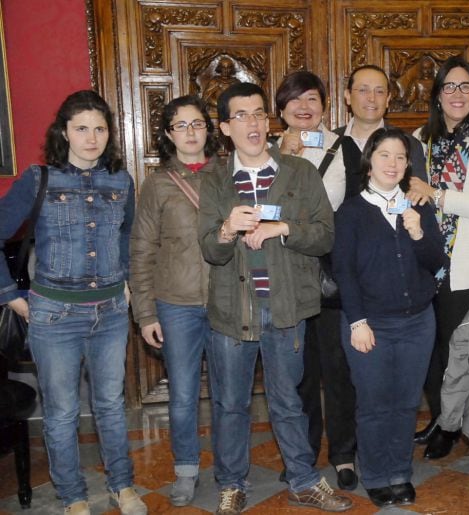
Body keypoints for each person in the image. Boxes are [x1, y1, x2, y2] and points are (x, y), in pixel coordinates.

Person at [197, 82, 351, 514]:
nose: (254, 123)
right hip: (232, 311)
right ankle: (230, 483)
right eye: (242, 116)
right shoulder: (213, 179)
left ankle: (303, 480)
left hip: (286, 307)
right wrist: (228, 229)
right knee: (230, 405)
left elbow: (324, 236)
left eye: (260, 113)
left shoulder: (298, 172)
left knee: (288, 401)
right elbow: (210, 248)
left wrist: (283, 229)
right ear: (226, 127)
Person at [0, 91, 146, 515]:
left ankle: (123, 487)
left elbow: (126, 236)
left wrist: (127, 282)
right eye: (82, 128)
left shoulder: (122, 181)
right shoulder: (38, 178)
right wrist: (11, 296)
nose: (92, 137)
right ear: (64, 132)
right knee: (62, 413)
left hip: (111, 314)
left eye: (100, 128)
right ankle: (73, 497)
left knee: (111, 407)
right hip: (54, 315)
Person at [332, 127, 443, 507]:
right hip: (371, 323)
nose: (392, 164)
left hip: (418, 322)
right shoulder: (351, 211)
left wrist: (417, 232)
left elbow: (436, 262)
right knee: (374, 403)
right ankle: (377, 474)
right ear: (369, 161)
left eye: (400, 156)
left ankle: (400, 472)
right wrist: (357, 322)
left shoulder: (419, 207)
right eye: (384, 155)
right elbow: (343, 271)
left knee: (407, 402)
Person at [408, 55, 469, 458]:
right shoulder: (419, 138)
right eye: (449, 86)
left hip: (463, 263)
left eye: (465, 87)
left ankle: (453, 426)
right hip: (422, 258)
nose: (457, 94)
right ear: (436, 95)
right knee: (429, 350)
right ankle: (439, 416)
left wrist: (440, 195)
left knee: (456, 350)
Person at [129, 95, 221, 506]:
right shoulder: (157, 184)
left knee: (228, 393)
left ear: (208, 129)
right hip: (176, 304)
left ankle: (229, 469)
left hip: (226, 301)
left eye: (196, 123)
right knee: (183, 394)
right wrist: (145, 312)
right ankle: (186, 469)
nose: (190, 132)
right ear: (168, 134)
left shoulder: (229, 174)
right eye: (180, 125)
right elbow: (142, 250)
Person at [273, 70, 357, 490]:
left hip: (332, 271)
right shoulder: (267, 152)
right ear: (281, 108)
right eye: (294, 100)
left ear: (325, 105)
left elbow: (359, 208)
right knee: (298, 370)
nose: (304, 107)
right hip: (285, 270)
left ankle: (344, 454)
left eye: (312, 99)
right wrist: (283, 158)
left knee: (338, 367)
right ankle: (301, 454)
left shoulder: (345, 149)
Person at [335, 64, 429, 202]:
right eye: (363, 90)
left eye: (379, 91)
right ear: (348, 96)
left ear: (388, 99)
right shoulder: (331, 142)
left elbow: (421, 199)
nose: (371, 98)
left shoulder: (408, 143)